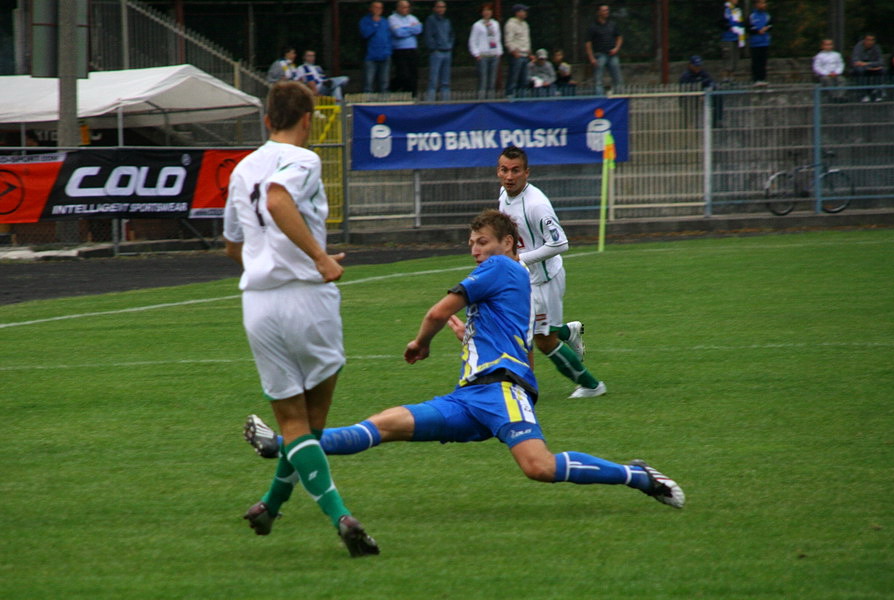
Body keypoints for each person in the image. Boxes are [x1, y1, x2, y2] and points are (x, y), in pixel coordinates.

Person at [243, 209, 685, 513]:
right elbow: (509, 337)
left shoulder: (502, 267)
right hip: (469, 397)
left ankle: (637, 475)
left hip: (499, 392)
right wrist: (466, 333)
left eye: (483, 242)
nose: (475, 249)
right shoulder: (513, 280)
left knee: (539, 466)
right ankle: (280, 445)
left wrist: (421, 343)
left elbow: (436, 311)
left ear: (508, 243)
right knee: (382, 425)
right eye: (472, 243)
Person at [223, 81, 379, 558]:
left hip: (259, 305)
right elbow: (277, 199)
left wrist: (270, 265)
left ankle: (271, 505)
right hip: (307, 301)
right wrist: (319, 258)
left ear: (268, 119)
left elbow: (234, 244)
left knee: (292, 425)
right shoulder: (306, 160)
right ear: (307, 120)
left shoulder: (242, 167)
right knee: (311, 424)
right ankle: (341, 516)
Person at [496, 146, 607, 399]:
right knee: (529, 331)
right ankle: (569, 332)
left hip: (544, 280)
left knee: (544, 341)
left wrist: (520, 259)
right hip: (526, 278)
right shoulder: (504, 194)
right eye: (504, 170)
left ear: (527, 172)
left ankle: (592, 386)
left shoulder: (536, 205)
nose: (509, 176)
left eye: (515, 171)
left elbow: (560, 244)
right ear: (498, 171)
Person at [585, 4, 623, 97]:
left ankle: (618, 96)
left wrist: (616, 48)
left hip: (612, 54)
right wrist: (591, 58)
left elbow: (619, 37)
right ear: (598, 12)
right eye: (604, 10)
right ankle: (599, 97)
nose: (606, 12)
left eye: (607, 10)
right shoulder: (593, 27)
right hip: (600, 54)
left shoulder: (612, 25)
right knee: (598, 79)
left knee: (617, 78)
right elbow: (588, 43)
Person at [468, 3, 502, 99]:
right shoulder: (477, 25)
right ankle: (481, 101)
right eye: (485, 10)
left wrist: (499, 52)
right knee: (483, 80)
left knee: (492, 81)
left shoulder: (495, 24)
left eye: (489, 10)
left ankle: (490, 100)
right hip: (483, 56)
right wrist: (476, 53)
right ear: (482, 12)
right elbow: (472, 40)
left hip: (494, 55)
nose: (487, 12)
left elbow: (498, 39)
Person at [389, 0, 423, 95]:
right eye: (403, 7)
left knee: (413, 74)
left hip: (412, 49)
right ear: (398, 8)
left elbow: (419, 29)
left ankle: (412, 95)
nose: (406, 9)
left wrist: (405, 28)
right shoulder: (392, 18)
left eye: (407, 7)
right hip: (399, 50)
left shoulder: (412, 18)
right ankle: (393, 89)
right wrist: (411, 29)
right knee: (403, 74)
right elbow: (398, 33)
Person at [424, 0, 455, 101]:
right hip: (436, 52)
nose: (441, 9)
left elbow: (451, 34)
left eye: (443, 7)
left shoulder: (447, 21)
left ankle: (445, 102)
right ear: (434, 8)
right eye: (439, 7)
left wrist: (450, 45)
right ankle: (430, 103)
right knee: (433, 80)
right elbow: (428, 36)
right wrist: (434, 47)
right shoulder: (430, 20)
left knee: (445, 81)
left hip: (447, 51)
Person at [359, 1, 393, 94]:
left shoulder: (385, 21)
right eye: (376, 7)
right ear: (371, 9)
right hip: (371, 56)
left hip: (385, 55)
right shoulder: (365, 21)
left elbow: (389, 37)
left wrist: (389, 50)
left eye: (380, 8)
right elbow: (365, 34)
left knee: (384, 81)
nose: (378, 10)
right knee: (368, 81)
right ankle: (367, 101)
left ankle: (385, 102)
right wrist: (375, 24)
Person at [503, 4, 532, 97]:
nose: (525, 13)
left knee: (524, 79)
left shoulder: (525, 24)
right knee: (513, 78)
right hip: (517, 55)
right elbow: (508, 40)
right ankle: (510, 95)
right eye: (523, 11)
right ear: (517, 12)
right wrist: (513, 51)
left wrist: (529, 51)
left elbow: (526, 39)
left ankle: (522, 97)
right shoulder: (511, 24)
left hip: (525, 55)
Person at [850, 34, 885, 102]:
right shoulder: (858, 47)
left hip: (872, 67)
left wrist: (868, 64)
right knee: (860, 70)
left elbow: (881, 62)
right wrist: (867, 66)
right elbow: (855, 62)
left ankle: (877, 93)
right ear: (864, 40)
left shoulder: (876, 48)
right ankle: (863, 94)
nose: (870, 42)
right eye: (868, 40)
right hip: (861, 68)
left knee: (882, 70)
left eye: (872, 40)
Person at [719, 1, 745, 82]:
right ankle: (725, 78)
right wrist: (729, 27)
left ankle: (732, 78)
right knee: (728, 60)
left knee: (734, 60)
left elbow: (740, 23)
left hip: (736, 38)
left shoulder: (737, 10)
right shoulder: (725, 9)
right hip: (727, 38)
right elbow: (721, 22)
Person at [747, 0, 771, 86]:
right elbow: (749, 28)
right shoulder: (752, 16)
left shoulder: (767, 15)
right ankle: (756, 79)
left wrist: (766, 28)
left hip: (764, 42)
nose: (763, 5)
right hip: (755, 42)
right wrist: (757, 31)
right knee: (756, 61)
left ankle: (763, 78)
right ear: (757, 4)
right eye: (761, 3)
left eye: (764, 3)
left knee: (763, 61)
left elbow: (770, 25)